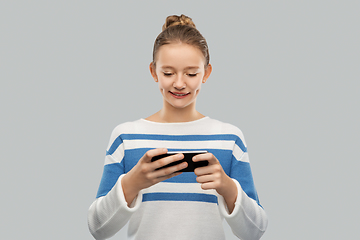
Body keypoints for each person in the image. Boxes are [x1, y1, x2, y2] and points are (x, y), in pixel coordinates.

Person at [88, 14, 268, 240]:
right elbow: (97, 228)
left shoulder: (229, 138)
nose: (180, 83)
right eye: (168, 73)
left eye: (191, 73)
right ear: (154, 72)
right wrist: (132, 183)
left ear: (207, 73)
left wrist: (227, 187)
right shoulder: (126, 136)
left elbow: (256, 231)